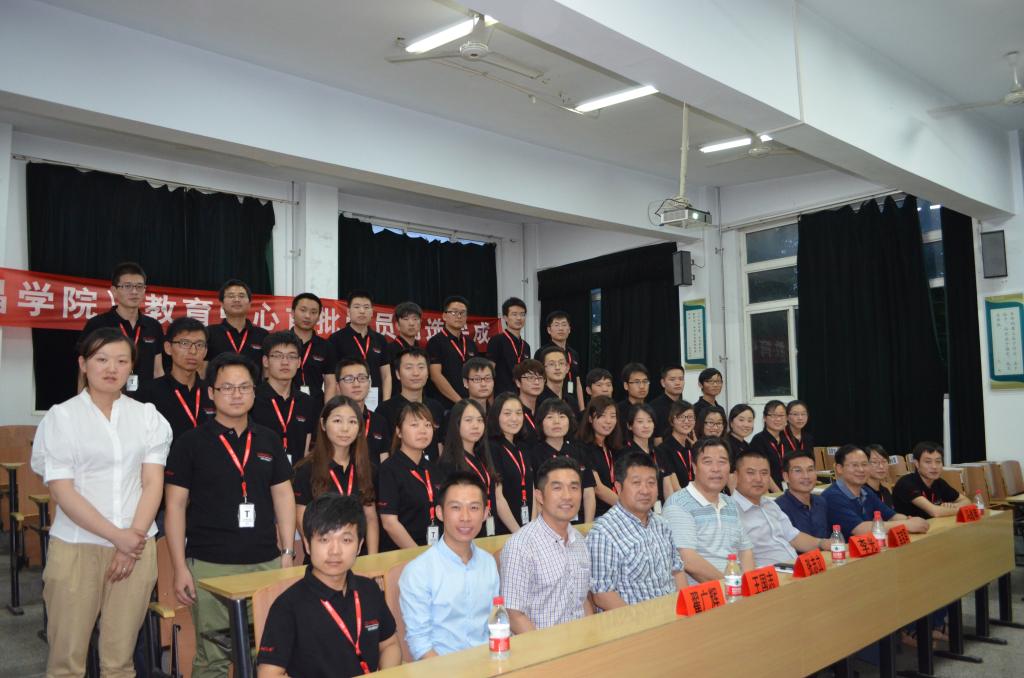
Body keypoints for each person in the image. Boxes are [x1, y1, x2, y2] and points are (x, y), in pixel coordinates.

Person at [32, 328, 171, 677]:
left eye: (122, 361)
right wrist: (117, 537)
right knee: (66, 662)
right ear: (83, 364)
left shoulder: (147, 417)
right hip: (77, 547)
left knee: (119, 661)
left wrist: (131, 539)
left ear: (131, 367)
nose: (112, 368)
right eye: (102, 359)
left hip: (136, 548)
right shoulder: (61, 417)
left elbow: (152, 483)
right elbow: (62, 491)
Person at [164, 353, 296, 678]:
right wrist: (180, 568)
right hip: (210, 566)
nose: (236, 395)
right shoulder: (190, 443)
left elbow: (283, 495)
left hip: (265, 563)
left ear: (254, 391)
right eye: (227, 388)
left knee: (266, 655)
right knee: (213, 659)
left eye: (244, 387)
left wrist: (287, 553)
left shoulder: (268, 439)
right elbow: (175, 506)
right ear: (211, 392)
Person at [256, 493, 400, 677]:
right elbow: (268, 674)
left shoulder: (369, 590)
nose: (335, 551)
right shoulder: (287, 606)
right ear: (307, 545)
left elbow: (390, 645)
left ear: (359, 545)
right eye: (324, 539)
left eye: (346, 540)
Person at [399, 472, 500, 659]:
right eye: (455, 508)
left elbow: (496, 623)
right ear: (439, 512)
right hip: (441, 666)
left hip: (488, 662)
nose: (465, 517)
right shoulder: (418, 571)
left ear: (485, 513)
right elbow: (420, 644)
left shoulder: (488, 563)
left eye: (474, 508)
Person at [500, 456, 593, 632]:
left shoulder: (580, 541)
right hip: (540, 643)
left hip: (580, 641)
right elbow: (513, 615)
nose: (567, 496)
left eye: (574, 487)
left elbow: (583, 600)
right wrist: (544, 646)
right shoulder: (521, 546)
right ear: (540, 496)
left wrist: (591, 637)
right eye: (557, 488)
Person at [586, 452, 685, 609]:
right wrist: (642, 619)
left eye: (651, 483)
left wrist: (685, 609)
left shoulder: (662, 524)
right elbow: (602, 594)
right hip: (635, 620)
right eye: (636, 483)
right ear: (619, 488)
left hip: (674, 614)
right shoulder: (603, 533)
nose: (645, 490)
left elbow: (677, 571)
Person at [292, 396, 379, 555]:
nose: (345, 428)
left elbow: (371, 518)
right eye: (337, 421)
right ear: (323, 424)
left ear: (360, 428)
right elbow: (302, 519)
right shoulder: (305, 470)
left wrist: (372, 559)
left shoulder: (367, 469)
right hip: (324, 556)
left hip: (360, 556)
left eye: (352, 422)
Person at [662, 437, 754, 583]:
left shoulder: (730, 503)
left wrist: (749, 584)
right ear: (694, 467)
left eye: (722, 462)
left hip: (736, 586)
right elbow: (688, 560)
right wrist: (732, 585)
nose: (716, 469)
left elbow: (745, 550)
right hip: (707, 592)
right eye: (708, 462)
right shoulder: (678, 504)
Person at [732, 449, 831, 568]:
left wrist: (823, 543)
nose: (758, 479)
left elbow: (794, 537)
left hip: (794, 568)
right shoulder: (731, 512)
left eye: (764, 473)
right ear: (736, 476)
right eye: (751, 473)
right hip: (768, 575)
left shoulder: (770, 504)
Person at [79, 262, 163, 392]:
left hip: (145, 400)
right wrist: (82, 401)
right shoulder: (97, 324)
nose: (134, 291)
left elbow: (158, 370)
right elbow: (84, 371)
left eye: (139, 286)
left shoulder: (153, 325)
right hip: (108, 397)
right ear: (114, 291)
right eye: (127, 286)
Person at [439, 399, 516, 536]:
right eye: (469, 420)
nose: (476, 425)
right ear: (456, 424)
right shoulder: (449, 464)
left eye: (480, 420)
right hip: (467, 535)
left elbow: (499, 499)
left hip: (492, 531)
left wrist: (519, 533)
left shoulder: (483, 457)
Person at [821, 444, 929, 539]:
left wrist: (909, 519)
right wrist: (906, 525)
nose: (861, 469)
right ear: (839, 468)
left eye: (864, 464)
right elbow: (859, 529)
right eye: (855, 465)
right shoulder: (832, 496)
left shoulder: (865, 491)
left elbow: (890, 516)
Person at [133, 317, 214, 439]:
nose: (193, 351)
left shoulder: (213, 393)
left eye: (199, 345)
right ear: (168, 348)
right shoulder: (147, 393)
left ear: (206, 351)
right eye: (185, 343)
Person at [376, 402, 442, 551]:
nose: (423, 431)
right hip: (401, 554)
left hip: (434, 551)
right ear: (399, 431)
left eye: (427, 425)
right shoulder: (389, 469)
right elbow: (389, 523)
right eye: (414, 425)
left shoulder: (434, 469)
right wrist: (419, 555)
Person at [529, 397, 596, 525]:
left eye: (562, 416)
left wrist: (588, 526)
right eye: (550, 417)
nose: (556, 422)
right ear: (540, 423)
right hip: (548, 524)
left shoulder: (579, 451)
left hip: (580, 524)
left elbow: (588, 491)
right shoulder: (534, 454)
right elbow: (536, 496)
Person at [252, 332, 317, 463]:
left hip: (295, 472)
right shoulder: (252, 399)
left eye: (291, 356)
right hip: (260, 472)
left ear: (299, 362)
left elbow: (307, 448)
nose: (285, 362)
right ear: (265, 361)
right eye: (278, 356)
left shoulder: (307, 402)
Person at [375, 347, 446, 460]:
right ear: (398, 374)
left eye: (421, 367)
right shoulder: (385, 410)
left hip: (431, 469)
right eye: (409, 368)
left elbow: (440, 446)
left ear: (428, 373)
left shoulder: (437, 408)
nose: (416, 373)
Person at [329, 290, 392, 405]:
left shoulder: (380, 339)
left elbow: (386, 375)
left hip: (376, 401)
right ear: (348, 311)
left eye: (366, 307)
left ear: (372, 312)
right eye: (357, 307)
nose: (362, 311)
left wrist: (386, 403)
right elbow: (332, 376)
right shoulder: (336, 339)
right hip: (347, 401)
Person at [487, 392, 539, 531]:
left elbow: (531, 487)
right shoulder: (492, 447)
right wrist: (519, 533)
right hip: (506, 529)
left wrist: (532, 527)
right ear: (496, 416)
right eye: (507, 413)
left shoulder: (523, 446)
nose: (514, 418)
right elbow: (498, 497)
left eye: (518, 413)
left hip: (527, 527)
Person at [205, 279, 269, 378]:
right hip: (219, 387)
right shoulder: (209, 333)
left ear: (250, 303)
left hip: (253, 387)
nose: (236, 300)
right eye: (231, 296)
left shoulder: (263, 335)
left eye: (241, 296)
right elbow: (202, 367)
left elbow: (267, 371)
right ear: (222, 303)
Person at [336, 358, 392, 464]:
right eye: (349, 379)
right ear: (338, 386)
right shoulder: (332, 421)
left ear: (369, 383)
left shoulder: (379, 421)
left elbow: (384, 462)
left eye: (362, 378)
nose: (356, 384)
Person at [427, 295, 479, 408]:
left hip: (470, 403)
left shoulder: (470, 343)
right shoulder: (435, 342)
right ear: (444, 316)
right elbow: (435, 375)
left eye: (462, 313)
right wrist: (460, 401)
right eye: (454, 312)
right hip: (446, 405)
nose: (459, 316)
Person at [893, 442, 969, 519]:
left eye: (938, 461)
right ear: (917, 464)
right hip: (911, 526)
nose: (934, 466)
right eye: (928, 462)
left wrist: (953, 506)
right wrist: (958, 509)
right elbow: (935, 512)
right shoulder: (906, 483)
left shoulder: (939, 482)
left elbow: (967, 501)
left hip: (934, 524)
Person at [290, 292, 338, 414]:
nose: (307, 316)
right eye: (303, 310)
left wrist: (327, 412)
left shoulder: (326, 346)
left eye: (313, 312)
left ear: (318, 316)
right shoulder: (280, 342)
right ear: (292, 312)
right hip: (284, 404)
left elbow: (330, 382)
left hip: (315, 406)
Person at [578, 395, 623, 517]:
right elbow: (598, 488)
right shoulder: (582, 447)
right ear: (590, 419)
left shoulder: (613, 447)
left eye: (613, 416)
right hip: (598, 514)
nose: (608, 421)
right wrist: (628, 508)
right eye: (602, 415)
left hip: (616, 510)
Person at [535, 310, 584, 411]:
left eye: (564, 325)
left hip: (571, 401)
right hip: (549, 401)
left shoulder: (573, 353)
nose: (561, 328)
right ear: (549, 330)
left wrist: (582, 408)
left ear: (569, 329)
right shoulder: (542, 352)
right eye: (556, 325)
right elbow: (537, 379)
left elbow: (577, 381)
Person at [775, 452, 830, 539]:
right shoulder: (778, 509)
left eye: (810, 470)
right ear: (786, 477)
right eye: (798, 471)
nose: (806, 476)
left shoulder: (821, 502)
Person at [488, 297, 531, 396]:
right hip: (502, 396)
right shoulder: (497, 341)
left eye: (522, 314)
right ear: (505, 317)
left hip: (522, 396)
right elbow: (489, 372)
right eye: (514, 314)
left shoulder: (526, 346)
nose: (519, 318)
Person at [655, 399, 697, 499]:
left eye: (690, 417)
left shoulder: (693, 447)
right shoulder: (663, 450)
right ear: (672, 421)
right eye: (681, 417)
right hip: (679, 500)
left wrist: (698, 450)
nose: (686, 421)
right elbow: (675, 488)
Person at [749, 400, 786, 493]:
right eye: (773, 415)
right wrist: (779, 495)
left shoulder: (786, 439)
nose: (778, 419)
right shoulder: (758, 440)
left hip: (786, 489)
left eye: (781, 415)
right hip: (767, 492)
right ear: (765, 418)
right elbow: (761, 472)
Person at [385, 301, 424, 387]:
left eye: (415, 319)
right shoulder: (388, 350)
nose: (411, 323)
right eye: (406, 319)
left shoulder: (422, 351)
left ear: (420, 324)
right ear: (397, 325)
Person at [536, 345, 578, 415]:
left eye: (561, 363)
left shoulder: (572, 402)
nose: (557, 367)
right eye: (551, 364)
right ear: (543, 368)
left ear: (567, 368)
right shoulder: (537, 400)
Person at [649, 365, 685, 442]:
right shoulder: (655, 407)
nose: (677, 383)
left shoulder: (685, 406)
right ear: (663, 383)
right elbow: (657, 439)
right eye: (672, 379)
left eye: (681, 379)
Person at [513, 358, 545, 443]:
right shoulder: (513, 410)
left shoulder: (545, 409)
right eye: (531, 378)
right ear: (518, 382)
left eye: (540, 378)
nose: (537, 382)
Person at [616, 363, 650, 428]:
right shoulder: (618, 411)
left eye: (645, 381)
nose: (642, 386)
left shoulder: (651, 409)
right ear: (626, 386)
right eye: (637, 382)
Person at [865, 444, 895, 509]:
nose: (881, 466)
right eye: (874, 462)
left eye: (884, 461)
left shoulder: (885, 491)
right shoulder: (861, 493)